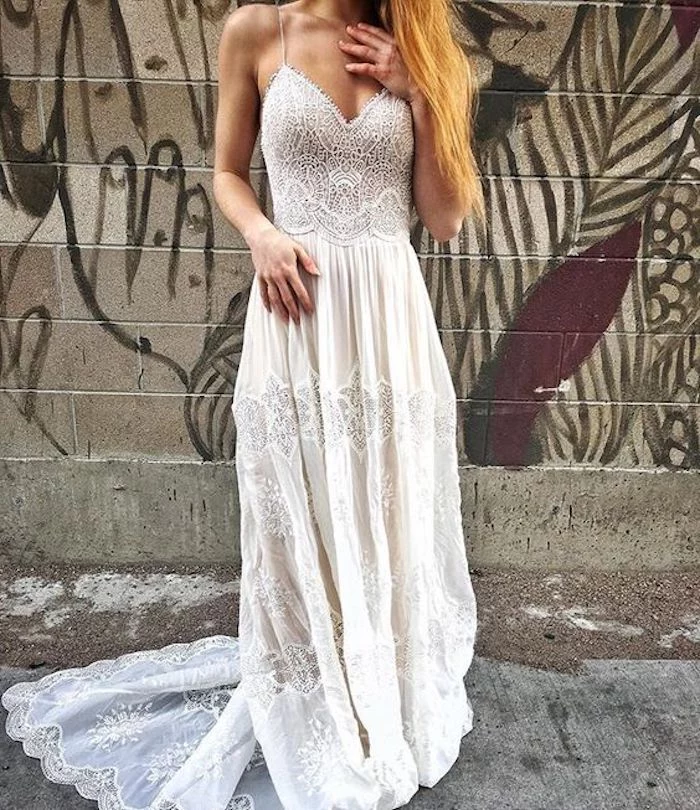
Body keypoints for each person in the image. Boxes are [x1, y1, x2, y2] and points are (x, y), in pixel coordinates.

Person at [1, 1, 484, 808]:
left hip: (389, 328)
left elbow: (442, 219)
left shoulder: (426, 45)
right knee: (297, 514)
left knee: (384, 510)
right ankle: (313, 692)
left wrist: (425, 94)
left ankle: (382, 686)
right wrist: (261, 230)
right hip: (297, 322)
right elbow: (226, 172)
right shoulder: (256, 31)